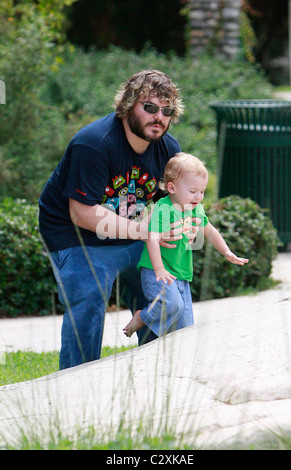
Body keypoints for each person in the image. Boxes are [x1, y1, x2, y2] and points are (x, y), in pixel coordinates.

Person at [39, 70, 192, 370]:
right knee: (89, 296)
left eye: (167, 110)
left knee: (164, 287)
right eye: (149, 107)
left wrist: (182, 222)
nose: (159, 116)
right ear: (128, 104)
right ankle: (76, 381)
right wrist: (144, 231)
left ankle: (154, 370)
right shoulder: (94, 144)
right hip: (76, 235)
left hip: (131, 229)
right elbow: (80, 213)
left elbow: (167, 204)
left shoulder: (168, 149)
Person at [123, 152, 249, 338]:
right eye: (192, 191)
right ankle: (143, 317)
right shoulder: (164, 208)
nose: (198, 196)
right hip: (158, 272)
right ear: (172, 188)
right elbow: (151, 238)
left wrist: (227, 252)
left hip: (181, 274)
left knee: (186, 330)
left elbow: (210, 231)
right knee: (172, 304)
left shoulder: (195, 209)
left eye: (202, 191)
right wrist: (158, 270)